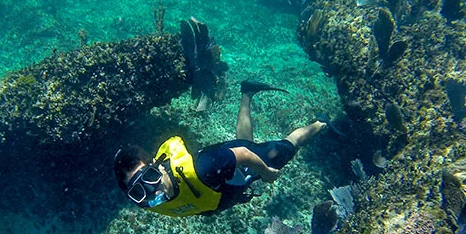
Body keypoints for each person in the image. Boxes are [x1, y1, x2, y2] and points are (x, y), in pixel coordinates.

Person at [113, 81, 327, 217]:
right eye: (139, 191)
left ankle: (322, 123)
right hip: (223, 176)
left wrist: (266, 173)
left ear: (158, 167)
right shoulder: (145, 203)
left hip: (220, 167)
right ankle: (247, 92)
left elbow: (242, 155)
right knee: (244, 144)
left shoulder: (202, 168)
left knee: (287, 147)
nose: (153, 192)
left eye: (150, 177)